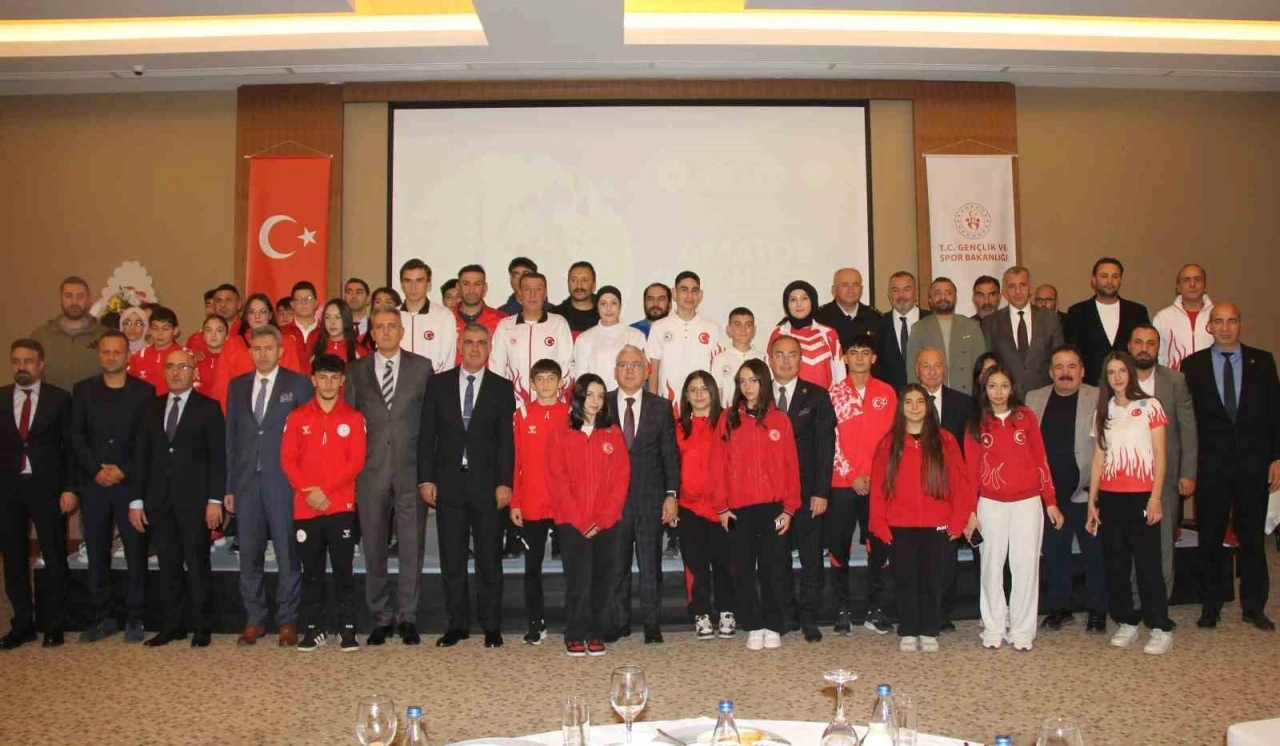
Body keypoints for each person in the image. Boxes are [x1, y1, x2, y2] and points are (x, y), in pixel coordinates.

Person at [1182, 302, 1279, 631]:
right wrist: (1188, 466)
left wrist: (1277, 457)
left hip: (1254, 464)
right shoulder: (1192, 365)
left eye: (1232, 321)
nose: (1225, 328)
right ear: (1209, 326)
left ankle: (1254, 607)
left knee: (1252, 538)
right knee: (1210, 537)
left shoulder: (1262, 361)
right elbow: (1188, 421)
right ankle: (1211, 605)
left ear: (1240, 324)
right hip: (1211, 467)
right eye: (1219, 321)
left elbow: (1275, 412)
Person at [419, 323, 516, 649]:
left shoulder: (502, 387)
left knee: (490, 559)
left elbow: (506, 441)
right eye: (469, 342)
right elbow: (426, 435)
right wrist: (426, 478)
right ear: (460, 346)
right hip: (448, 484)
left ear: (489, 348)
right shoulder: (438, 384)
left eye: (481, 343)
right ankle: (457, 624)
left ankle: (491, 625)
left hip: (487, 486)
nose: (475, 348)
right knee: (452, 558)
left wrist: (505, 483)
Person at [344, 308, 434, 645]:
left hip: (411, 470)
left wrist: (428, 473)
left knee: (411, 546)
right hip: (370, 471)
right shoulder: (356, 370)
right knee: (374, 546)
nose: (385, 332)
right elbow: (349, 423)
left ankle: (407, 616)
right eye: (379, 327)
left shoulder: (422, 368)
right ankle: (380, 617)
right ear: (371, 333)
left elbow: (429, 424)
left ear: (401, 331)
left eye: (391, 326)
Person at [224, 325, 314, 647]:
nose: (262, 354)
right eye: (257, 348)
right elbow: (231, 438)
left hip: (284, 483)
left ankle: (287, 619)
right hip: (246, 483)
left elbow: (308, 436)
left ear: (280, 351)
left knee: (288, 552)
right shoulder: (237, 386)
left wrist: (305, 483)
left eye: (268, 348)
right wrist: (229, 486)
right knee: (249, 552)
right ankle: (254, 619)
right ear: (250, 352)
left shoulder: (298, 384)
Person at [131, 348, 225, 648]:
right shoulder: (149, 408)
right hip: (158, 501)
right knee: (168, 565)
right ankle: (172, 626)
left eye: (183, 367)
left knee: (197, 565)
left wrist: (215, 500)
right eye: (170, 366)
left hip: (195, 502)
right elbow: (140, 456)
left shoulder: (208, 408)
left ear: (194, 372)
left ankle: (201, 626)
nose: (176, 372)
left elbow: (218, 459)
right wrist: (136, 501)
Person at [870, 384, 974, 652]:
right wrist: (879, 523)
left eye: (920, 401)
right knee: (905, 579)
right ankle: (908, 629)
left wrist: (958, 521)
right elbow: (879, 488)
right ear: (901, 408)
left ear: (928, 407)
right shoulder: (888, 443)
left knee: (933, 580)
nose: (914, 407)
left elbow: (961, 484)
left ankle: (929, 629)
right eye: (908, 402)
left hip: (937, 524)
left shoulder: (945, 440)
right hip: (900, 525)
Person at [965, 364, 1062, 651]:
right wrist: (970, 512)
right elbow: (970, 472)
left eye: (1004, 386)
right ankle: (993, 628)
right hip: (990, 503)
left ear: (1012, 388)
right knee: (991, 567)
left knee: (1025, 566)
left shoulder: (1026, 417)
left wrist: (1050, 501)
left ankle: (1022, 630)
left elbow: (1040, 459)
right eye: (992, 386)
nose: (998, 392)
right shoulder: (976, 423)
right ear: (984, 389)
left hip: (1027, 503)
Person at [1087, 351, 1174, 654]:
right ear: (1106, 377)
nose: (1117, 377)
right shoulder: (1103, 410)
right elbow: (1098, 458)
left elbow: (1161, 455)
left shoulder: (1151, 405)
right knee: (1116, 564)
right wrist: (1092, 501)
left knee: (1148, 565)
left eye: (1122, 371)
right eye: (1111, 372)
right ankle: (1127, 621)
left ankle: (1160, 627)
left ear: (1131, 373)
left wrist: (1156, 497)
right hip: (1111, 497)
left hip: (1143, 496)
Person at [69, 330, 153, 644]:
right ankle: (102, 616)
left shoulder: (144, 392)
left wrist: (123, 470)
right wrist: (95, 470)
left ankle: (135, 616)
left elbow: (146, 440)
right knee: (97, 551)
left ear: (128, 355)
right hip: (94, 485)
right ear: (99, 356)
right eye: (105, 352)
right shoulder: (83, 390)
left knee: (135, 552)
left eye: (117, 351)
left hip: (129, 485)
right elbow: (76, 435)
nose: (111, 357)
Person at [281, 354, 367, 652]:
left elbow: (356, 462)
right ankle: (314, 627)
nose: (328, 383)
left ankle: (347, 626)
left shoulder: (353, 417)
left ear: (342, 381)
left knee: (344, 570)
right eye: (322, 377)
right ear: (313, 379)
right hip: (306, 507)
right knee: (312, 572)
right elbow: (288, 460)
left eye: (334, 378)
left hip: (340, 506)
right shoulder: (297, 417)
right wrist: (309, 492)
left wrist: (324, 491)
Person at [712, 358, 800, 650]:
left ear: (764, 382)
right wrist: (722, 507)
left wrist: (789, 508)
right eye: (742, 381)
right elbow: (718, 465)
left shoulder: (780, 420)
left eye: (753, 380)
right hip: (739, 510)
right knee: (743, 570)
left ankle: (773, 624)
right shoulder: (728, 418)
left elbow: (791, 466)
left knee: (774, 569)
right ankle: (753, 624)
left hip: (773, 508)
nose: (747, 387)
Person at [0, 339, 76, 650]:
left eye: (28, 361)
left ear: (41, 364)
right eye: (16, 360)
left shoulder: (59, 399)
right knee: (13, 557)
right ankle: (22, 624)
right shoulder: (1, 397)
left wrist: (70, 487)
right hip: (8, 489)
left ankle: (54, 624)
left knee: (54, 555)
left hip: (48, 489)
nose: (22, 367)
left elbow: (69, 448)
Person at [547, 374, 630, 656]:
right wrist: (581, 520)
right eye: (590, 395)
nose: (595, 401)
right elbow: (558, 480)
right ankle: (575, 633)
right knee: (577, 580)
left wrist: (604, 518)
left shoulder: (612, 433)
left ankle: (596, 632)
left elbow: (621, 479)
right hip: (573, 522)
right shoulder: (561, 432)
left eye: (600, 396)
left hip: (606, 523)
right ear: (578, 397)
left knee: (602, 579)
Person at [1026, 345, 1107, 633]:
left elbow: (1106, 445)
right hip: (1050, 496)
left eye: (1072, 366)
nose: (1065, 372)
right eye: (1059, 367)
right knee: (1054, 553)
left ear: (1082, 371)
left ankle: (1098, 609)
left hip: (1087, 492)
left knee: (1095, 554)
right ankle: (1060, 607)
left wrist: (1098, 492)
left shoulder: (1098, 397)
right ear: (1050, 372)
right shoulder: (1034, 398)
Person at [605, 345, 681, 644]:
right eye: (623, 364)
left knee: (650, 566)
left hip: (650, 499)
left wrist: (671, 495)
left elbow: (669, 455)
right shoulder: (602, 403)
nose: (630, 370)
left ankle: (651, 623)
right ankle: (619, 622)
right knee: (616, 566)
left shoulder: (661, 407)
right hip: (613, 502)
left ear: (647, 370)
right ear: (615, 371)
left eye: (636, 364)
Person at [827, 332, 897, 635]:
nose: (859, 358)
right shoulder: (834, 393)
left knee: (877, 547)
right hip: (843, 483)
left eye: (864, 352)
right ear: (844, 357)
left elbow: (893, 439)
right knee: (839, 547)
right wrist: (852, 475)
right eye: (853, 352)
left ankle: (874, 609)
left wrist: (876, 476)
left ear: (874, 358)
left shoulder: (887, 392)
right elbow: (830, 440)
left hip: (878, 485)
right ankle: (841, 608)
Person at [768, 335, 835, 642]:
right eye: (779, 355)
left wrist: (822, 492)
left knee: (811, 558)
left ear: (801, 359)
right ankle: (785, 615)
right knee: (776, 559)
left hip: (809, 494)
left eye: (792, 355)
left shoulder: (817, 396)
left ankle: (809, 617)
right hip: (770, 495)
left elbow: (825, 447)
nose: (785, 361)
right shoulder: (758, 396)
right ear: (770, 359)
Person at [1128, 325, 1197, 599]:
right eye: (1138, 342)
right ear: (1129, 346)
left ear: (1158, 348)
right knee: (1131, 540)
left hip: (1164, 475)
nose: (1144, 348)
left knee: (1163, 541)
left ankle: (1160, 602)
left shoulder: (1175, 380)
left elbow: (1187, 429)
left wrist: (1188, 472)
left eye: (1151, 343)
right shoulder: (1117, 377)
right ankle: (1135, 600)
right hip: (1126, 476)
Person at [914, 346, 975, 631]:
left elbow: (969, 451)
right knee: (919, 555)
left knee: (946, 556)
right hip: (916, 492)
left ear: (945, 369)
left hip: (951, 493)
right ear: (917, 370)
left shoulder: (963, 403)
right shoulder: (907, 401)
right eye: (925, 366)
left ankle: (942, 612)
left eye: (937, 365)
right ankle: (919, 611)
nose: (932, 371)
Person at [510, 358, 570, 645]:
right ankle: (536, 622)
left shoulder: (572, 413)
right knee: (532, 567)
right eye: (540, 379)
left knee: (573, 565)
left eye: (551, 378)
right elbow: (516, 461)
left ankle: (576, 621)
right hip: (532, 502)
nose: (546, 384)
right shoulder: (521, 414)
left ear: (561, 383)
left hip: (565, 503)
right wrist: (515, 501)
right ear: (532, 384)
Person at [674, 370, 735, 640]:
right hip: (689, 508)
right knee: (696, 565)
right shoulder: (678, 427)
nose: (699, 394)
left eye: (704, 389)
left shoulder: (728, 422)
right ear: (686, 396)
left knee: (725, 562)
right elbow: (671, 466)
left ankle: (727, 611)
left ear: (713, 392)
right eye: (693, 390)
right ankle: (701, 613)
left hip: (723, 507)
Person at [206, 294, 305, 410]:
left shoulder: (286, 343)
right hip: (241, 410)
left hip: (279, 409)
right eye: (252, 312)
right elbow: (221, 387)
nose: (257, 316)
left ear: (270, 315)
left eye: (263, 311)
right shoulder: (232, 344)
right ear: (246, 316)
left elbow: (293, 383)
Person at [1064, 257, 1151, 385]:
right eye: (1104, 276)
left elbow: (1146, 349)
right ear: (1094, 280)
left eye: (1115, 276)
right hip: (1090, 386)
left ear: (1120, 280)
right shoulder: (1077, 312)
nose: (1110, 281)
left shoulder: (1137, 312)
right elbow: (1072, 353)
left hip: (1130, 385)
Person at [491, 272, 574, 405]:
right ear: (519, 294)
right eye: (527, 289)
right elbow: (497, 368)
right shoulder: (505, 326)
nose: (532, 294)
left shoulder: (558, 323)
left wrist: (556, 400)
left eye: (538, 289)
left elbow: (567, 365)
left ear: (545, 294)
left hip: (551, 405)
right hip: (514, 406)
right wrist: (502, 401)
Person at [982, 266, 1064, 396]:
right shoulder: (990, 323)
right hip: (1005, 396)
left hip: (1044, 396)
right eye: (1012, 286)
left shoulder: (1050, 319)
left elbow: (1059, 359)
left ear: (1031, 288)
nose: (1018, 291)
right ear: (1004, 292)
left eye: (1023, 285)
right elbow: (988, 364)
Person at [646, 271, 721, 405]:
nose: (689, 296)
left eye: (694, 290)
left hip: (700, 404)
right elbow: (653, 370)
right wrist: (652, 403)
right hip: (667, 405)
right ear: (674, 293)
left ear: (700, 295)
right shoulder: (659, 327)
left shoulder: (712, 328)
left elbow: (715, 370)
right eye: (684, 290)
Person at [908, 277, 987, 396]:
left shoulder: (972, 327)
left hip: (966, 396)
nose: (943, 297)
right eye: (937, 293)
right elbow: (912, 369)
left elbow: (981, 367)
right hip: (931, 396)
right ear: (930, 299)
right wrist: (917, 397)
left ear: (955, 298)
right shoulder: (919, 328)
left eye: (948, 293)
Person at [30, 276, 109, 391]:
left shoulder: (105, 335)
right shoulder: (40, 336)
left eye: (80, 296)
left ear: (88, 299)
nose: (74, 302)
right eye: (68, 296)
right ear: (61, 299)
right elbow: (31, 377)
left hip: (94, 401)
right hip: (52, 401)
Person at [767, 280, 844, 389]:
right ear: (786, 304)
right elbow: (769, 373)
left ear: (813, 301)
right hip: (790, 399)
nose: (799, 304)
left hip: (825, 398)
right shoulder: (779, 334)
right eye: (793, 299)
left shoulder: (829, 333)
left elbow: (840, 374)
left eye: (804, 298)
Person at [571, 286, 647, 391]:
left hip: (627, 397)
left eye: (613, 303)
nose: (608, 308)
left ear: (620, 306)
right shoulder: (584, 338)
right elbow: (581, 377)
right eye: (603, 304)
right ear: (597, 307)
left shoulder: (635, 336)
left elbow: (642, 373)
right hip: (597, 398)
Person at [397, 259, 458, 374]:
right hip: (398, 383)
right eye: (408, 281)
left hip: (433, 382)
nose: (413, 287)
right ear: (401, 284)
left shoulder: (444, 316)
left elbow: (448, 360)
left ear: (428, 283)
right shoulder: (392, 315)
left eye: (419, 281)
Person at [1152, 263, 1214, 371]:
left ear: (1205, 286)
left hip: (1210, 379)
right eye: (1186, 280)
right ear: (1179, 287)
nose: (1192, 284)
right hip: (1174, 380)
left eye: (1198, 279)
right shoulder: (1162, 318)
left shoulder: (1218, 316)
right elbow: (1157, 356)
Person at [876, 271, 927, 391]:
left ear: (916, 293)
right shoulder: (878, 324)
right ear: (889, 296)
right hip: (891, 395)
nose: (901, 295)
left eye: (906, 289)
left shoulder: (931, 321)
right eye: (895, 290)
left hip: (926, 394)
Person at [709, 307, 764, 404]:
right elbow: (717, 395)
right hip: (730, 412)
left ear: (754, 330)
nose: (743, 329)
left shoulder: (763, 358)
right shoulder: (720, 359)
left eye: (748, 325)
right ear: (729, 330)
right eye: (738, 325)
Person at [815, 267, 881, 348]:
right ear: (834, 290)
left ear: (861, 289)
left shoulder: (875, 318)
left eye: (855, 285)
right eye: (845, 285)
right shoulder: (819, 318)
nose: (851, 290)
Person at [127, 306, 184, 395]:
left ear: (175, 331)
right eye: (155, 328)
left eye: (165, 329)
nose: (160, 333)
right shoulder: (137, 358)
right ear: (149, 330)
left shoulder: (185, 356)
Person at [187, 283, 242, 359]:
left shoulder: (247, 335)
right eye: (219, 301)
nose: (222, 305)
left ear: (239, 304)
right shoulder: (196, 339)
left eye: (227, 300)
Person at [454, 265, 506, 340]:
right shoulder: (446, 319)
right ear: (458, 287)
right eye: (466, 284)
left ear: (484, 288)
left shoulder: (502, 321)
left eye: (477, 284)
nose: (471, 290)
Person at [313, 299, 368, 363]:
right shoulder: (315, 349)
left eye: (337, 317)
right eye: (327, 317)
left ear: (346, 319)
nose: (332, 322)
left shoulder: (360, 352)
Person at [555, 261, 600, 337]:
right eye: (574, 280)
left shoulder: (605, 316)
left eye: (584, 280)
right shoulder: (555, 316)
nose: (579, 285)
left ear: (594, 285)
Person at [281, 281, 322, 350]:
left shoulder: (325, 331)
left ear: (316, 303)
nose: (303, 303)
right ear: (292, 304)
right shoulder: (282, 332)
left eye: (308, 298)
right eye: (298, 299)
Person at [193, 315, 228, 393]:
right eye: (208, 330)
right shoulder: (193, 359)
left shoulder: (233, 360)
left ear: (226, 335)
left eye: (219, 330)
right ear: (203, 335)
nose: (213, 335)